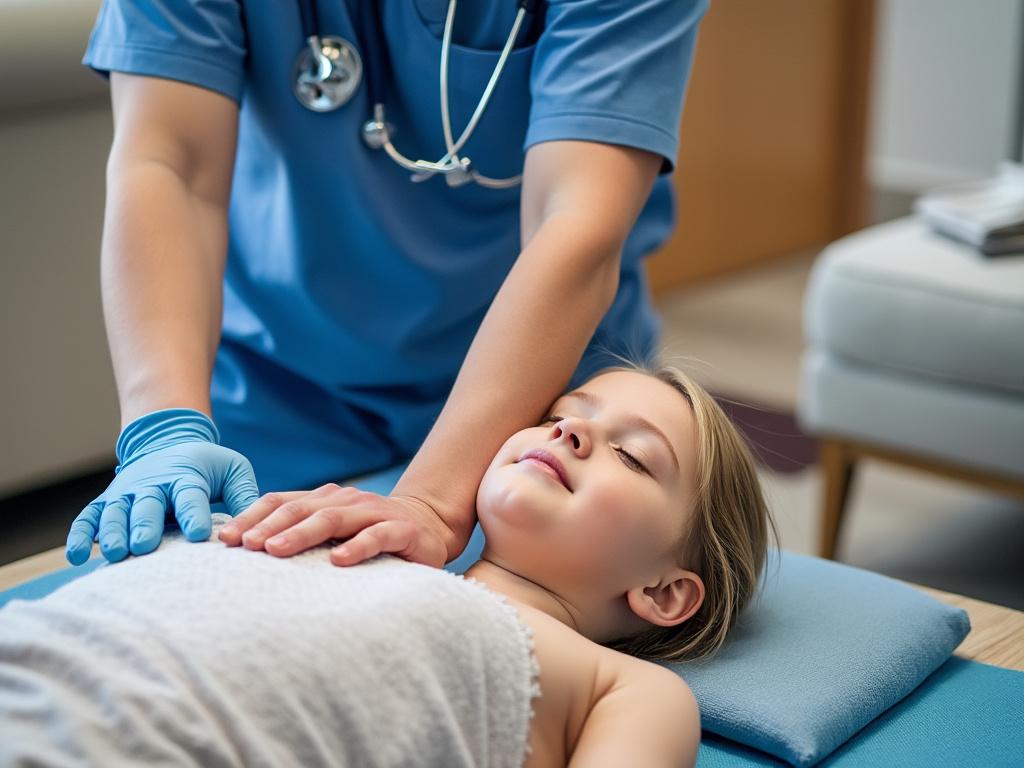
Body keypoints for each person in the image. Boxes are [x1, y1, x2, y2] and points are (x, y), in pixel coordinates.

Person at [64, 0, 711, 574]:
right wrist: (165, 427)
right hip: (282, 391)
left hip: (537, 406)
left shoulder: (560, 456)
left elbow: (573, 223)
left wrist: (432, 499)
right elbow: (170, 166)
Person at [3, 362, 775, 766]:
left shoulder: (626, 689)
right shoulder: (354, 536)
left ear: (665, 593)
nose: (569, 434)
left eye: (633, 457)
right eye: (560, 416)